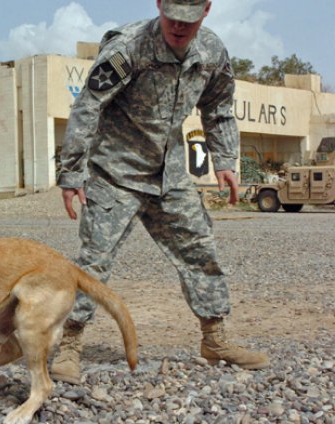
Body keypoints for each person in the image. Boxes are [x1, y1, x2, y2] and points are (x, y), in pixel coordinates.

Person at [53, 0, 270, 384]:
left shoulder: (212, 52)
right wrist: (71, 173)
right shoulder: (128, 48)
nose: (179, 27)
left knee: (200, 250)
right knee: (94, 261)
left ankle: (215, 340)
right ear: (158, 4)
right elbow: (88, 105)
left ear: (206, 10)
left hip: (168, 174)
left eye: (189, 20)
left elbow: (218, 107)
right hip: (113, 173)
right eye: (171, 18)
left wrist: (224, 160)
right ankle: (70, 345)